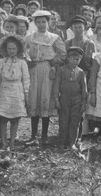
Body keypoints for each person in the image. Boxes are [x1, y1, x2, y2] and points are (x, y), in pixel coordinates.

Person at [24, 10, 67, 146]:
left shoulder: (54, 37)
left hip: (48, 70)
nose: (41, 24)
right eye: (39, 22)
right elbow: (23, 51)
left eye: (44, 22)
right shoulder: (30, 37)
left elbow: (63, 54)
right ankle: (33, 135)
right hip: (34, 69)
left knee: (45, 99)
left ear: (48, 22)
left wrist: (53, 62)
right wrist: (28, 60)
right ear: (35, 23)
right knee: (34, 98)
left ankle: (44, 135)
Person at [0, 35, 30, 150]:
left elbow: (26, 79)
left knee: (15, 119)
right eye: (9, 49)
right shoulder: (1, 62)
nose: (11, 51)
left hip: (17, 92)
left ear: (18, 49)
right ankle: (3, 142)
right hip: (4, 91)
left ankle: (12, 142)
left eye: (14, 49)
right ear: (5, 49)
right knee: (3, 118)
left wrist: (26, 95)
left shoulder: (22, 63)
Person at [52, 46, 88, 149]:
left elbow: (84, 88)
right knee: (63, 121)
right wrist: (56, 99)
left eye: (78, 59)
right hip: (64, 98)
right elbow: (57, 85)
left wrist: (83, 102)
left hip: (77, 100)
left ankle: (72, 142)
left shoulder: (80, 72)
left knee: (75, 121)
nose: (75, 61)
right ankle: (62, 142)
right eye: (73, 58)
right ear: (68, 58)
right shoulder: (62, 70)